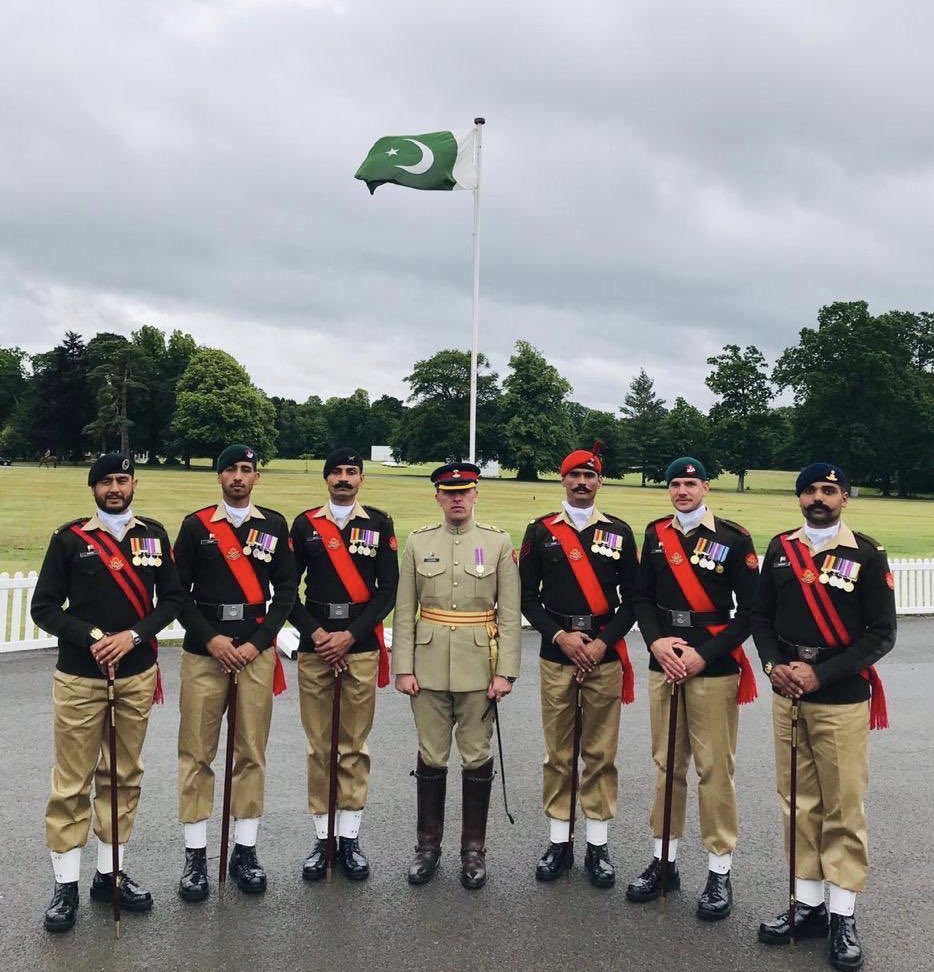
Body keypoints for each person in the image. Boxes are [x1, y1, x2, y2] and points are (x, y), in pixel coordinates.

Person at [31, 453, 184, 932]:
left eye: (122, 480)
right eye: (106, 482)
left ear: (134, 484)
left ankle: (109, 874)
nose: (115, 488)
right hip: (81, 674)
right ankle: (66, 885)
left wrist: (134, 636)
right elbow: (44, 608)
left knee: (122, 775)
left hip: (137, 672)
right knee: (73, 780)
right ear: (93, 488)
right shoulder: (69, 539)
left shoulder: (154, 535)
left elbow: (174, 600)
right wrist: (94, 637)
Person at [752, 462, 894, 972]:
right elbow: (760, 616)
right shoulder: (779, 548)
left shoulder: (867, 554)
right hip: (787, 691)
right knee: (797, 802)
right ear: (798, 498)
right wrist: (772, 667)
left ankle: (843, 914)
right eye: (810, 490)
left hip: (839, 697)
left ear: (844, 498)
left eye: (829, 490)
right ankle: (808, 904)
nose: (818, 497)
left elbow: (881, 634)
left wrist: (821, 674)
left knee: (842, 808)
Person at [627, 456, 760, 918]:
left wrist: (706, 653)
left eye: (690, 483)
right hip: (663, 658)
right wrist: (658, 641)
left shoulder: (733, 537)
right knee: (667, 765)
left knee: (714, 770)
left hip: (713, 662)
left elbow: (750, 613)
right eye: (676, 484)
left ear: (705, 487)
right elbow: (641, 597)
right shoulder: (655, 533)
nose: (683, 491)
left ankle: (719, 870)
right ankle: (664, 860)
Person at [172, 444, 296, 900]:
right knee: (196, 754)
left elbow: (285, 591)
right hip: (206, 651)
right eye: (231, 470)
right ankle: (195, 856)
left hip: (254, 651)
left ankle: (245, 850)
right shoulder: (196, 526)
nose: (239, 477)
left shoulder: (274, 525)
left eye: (246, 470)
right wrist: (211, 639)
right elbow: (176, 592)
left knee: (250, 752)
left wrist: (256, 643)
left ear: (256, 477)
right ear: (219, 476)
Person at [392, 462, 521, 890]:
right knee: (431, 756)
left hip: (479, 669)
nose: (457, 498)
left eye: (464, 491)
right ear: (437, 497)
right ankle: (427, 848)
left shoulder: (498, 543)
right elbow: (405, 611)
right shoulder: (418, 541)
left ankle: (473, 850)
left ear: (476, 494)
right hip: (426, 670)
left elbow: (509, 614)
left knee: (476, 757)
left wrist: (506, 672)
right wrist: (403, 668)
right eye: (449, 493)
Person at [519, 445, 638, 888]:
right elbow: (528, 596)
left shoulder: (620, 533)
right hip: (558, 653)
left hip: (604, 654)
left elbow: (634, 601)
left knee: (600, 754)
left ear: (600, 482)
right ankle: (559, 841)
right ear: (563, 481)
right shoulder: (541, 531)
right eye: (575, 476)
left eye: (590, 476)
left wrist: (602, 642)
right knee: (559, 753)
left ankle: (598, 845)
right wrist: (560, 637)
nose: (583, 482)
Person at [290, 448, 398, 881]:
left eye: (351, 472)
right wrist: (317, 634)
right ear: (326, 478)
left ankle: (349, 838)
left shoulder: (378, 523)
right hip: (315, 642)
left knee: (353, 743)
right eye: (336, 472)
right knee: (320, 745)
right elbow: (285, 589)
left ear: (362, 480)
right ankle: (323, 836)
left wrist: (351, 635)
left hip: (359, 642)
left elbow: (387, 590)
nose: (343, 479)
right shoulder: (305, 525)